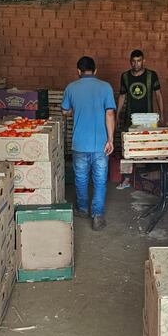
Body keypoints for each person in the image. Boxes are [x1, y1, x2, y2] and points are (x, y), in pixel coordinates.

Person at [61, 56, 116, 231]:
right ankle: (98, 215)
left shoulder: (71, 88)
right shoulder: (106, 87)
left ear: (78, 71)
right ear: (95, 70)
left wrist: (74, 110)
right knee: (100, 180)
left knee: (81, 178)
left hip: (79, 143)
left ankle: (83, 209)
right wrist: (110, 139)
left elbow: (65, 111)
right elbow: (109, 114)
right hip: (101, 144)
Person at [116, 49, 164, 189]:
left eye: (139, 61)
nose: (136, 64)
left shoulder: (151, 75)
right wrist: (118, 114)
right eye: (133, 61)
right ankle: (126, 179)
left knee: (149, 147)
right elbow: (122, 96)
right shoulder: (125, 76)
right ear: (130, 62)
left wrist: (162, 113)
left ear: (144, 61)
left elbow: (158, 95)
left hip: (148, 120)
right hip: (130, 120)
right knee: (127, 150)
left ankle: (149, 178)